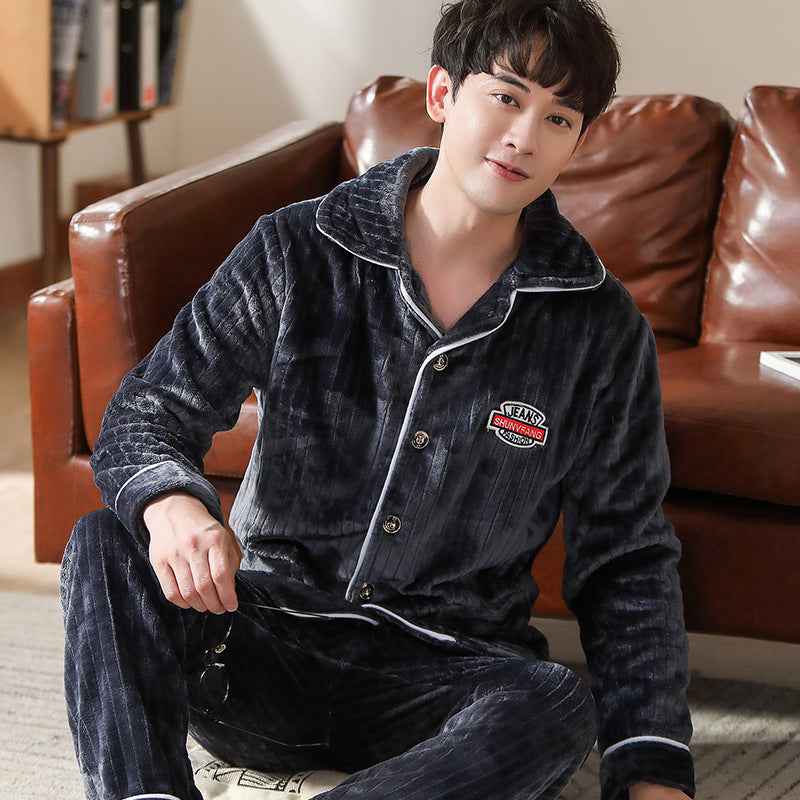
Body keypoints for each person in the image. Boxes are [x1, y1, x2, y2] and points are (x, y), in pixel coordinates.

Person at [59, 2, 696, 799]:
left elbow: (627, 560)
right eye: (505, 97)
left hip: (442, 675)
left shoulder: (601, 329)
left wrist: (652, 767)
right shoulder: (296, 248)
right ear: (442, 93)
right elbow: (150, 408)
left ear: (578, 141)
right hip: (260, 646)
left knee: (557, 704)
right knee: (106, 542)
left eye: (558, 118)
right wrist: (173, 506)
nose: (524, 137)